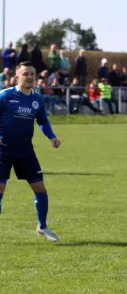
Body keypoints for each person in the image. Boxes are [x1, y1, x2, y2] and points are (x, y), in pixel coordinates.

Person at [0, 61, 62, 242]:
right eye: (25, 74)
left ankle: (42, 226)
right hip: (3, 151)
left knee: (40, 188)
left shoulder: (38, 100)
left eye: (32, 74)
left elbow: (42, 121)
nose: (29, 77)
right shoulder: (5, 95)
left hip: (25, 151)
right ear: (17, 77)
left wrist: (52, 136)